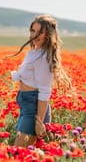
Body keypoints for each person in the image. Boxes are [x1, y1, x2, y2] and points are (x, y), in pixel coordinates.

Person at [10, 14, 72, 148]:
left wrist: (39, 122)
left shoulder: (43, 57)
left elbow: (44, 91)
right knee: (27, 153)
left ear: (48, 35)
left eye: (40, 32)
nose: (35, 35)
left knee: (18, 152)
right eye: (33, 31)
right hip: (26, 104)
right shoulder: (34, 52)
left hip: (34, 108)